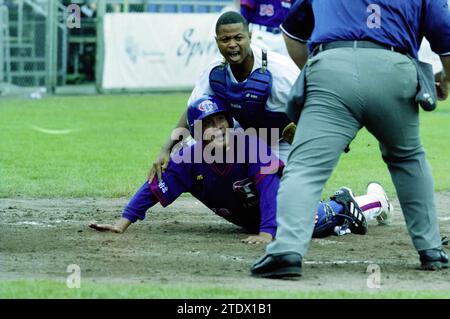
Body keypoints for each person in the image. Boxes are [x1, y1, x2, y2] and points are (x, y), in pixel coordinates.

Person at [251, 0, 450, 278]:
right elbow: (444, 30)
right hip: (394, 68)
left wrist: (319, 70)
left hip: (331, 65)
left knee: (306, 168)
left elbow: (292, 34)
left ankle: (286, 251)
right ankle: (430, 250)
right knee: (408, 159)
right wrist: (447, 79)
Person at [90, 96, 393, 243]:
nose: (217, 128)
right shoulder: (188, 159)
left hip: (290, 206)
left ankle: (366, 202)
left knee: (319, 222)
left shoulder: (249, 145)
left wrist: (267, 233)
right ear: (195, 131)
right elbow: (154, 188)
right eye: (207, 125)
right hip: (255, 215)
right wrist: (122, 222)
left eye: (220, 120)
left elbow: (270, 187)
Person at [148, 11, 300, 181]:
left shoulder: (281, 71)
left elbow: (312, 110)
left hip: (280, 142)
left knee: (282, 195)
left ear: (250, 36)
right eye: (225, 39)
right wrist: (165, 149)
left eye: (238, 38)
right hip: (243, 137)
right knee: (183, 152)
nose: (232, 44)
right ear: (217, 41)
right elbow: (193, 108)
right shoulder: (216, 71)